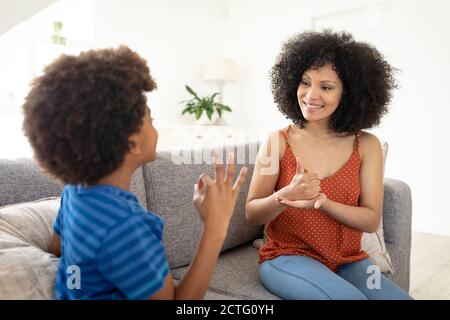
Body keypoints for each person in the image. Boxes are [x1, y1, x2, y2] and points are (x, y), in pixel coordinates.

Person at [22, 46, 247, 300]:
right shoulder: (127, 226)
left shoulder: (75, 190)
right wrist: (215, 226)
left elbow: (58, 249)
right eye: (150, 119)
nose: (155, 127)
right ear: (132, 143)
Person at [245, 30, 412, 300]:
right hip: (287, 257)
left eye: (326, 87)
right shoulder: (277, 141)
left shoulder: (366, 145)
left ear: (349, 93)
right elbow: (252, 213)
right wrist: (283, 196)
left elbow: (370, 219)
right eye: (305, 82)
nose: (310, 95)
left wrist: (323, 202)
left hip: (349, 261)